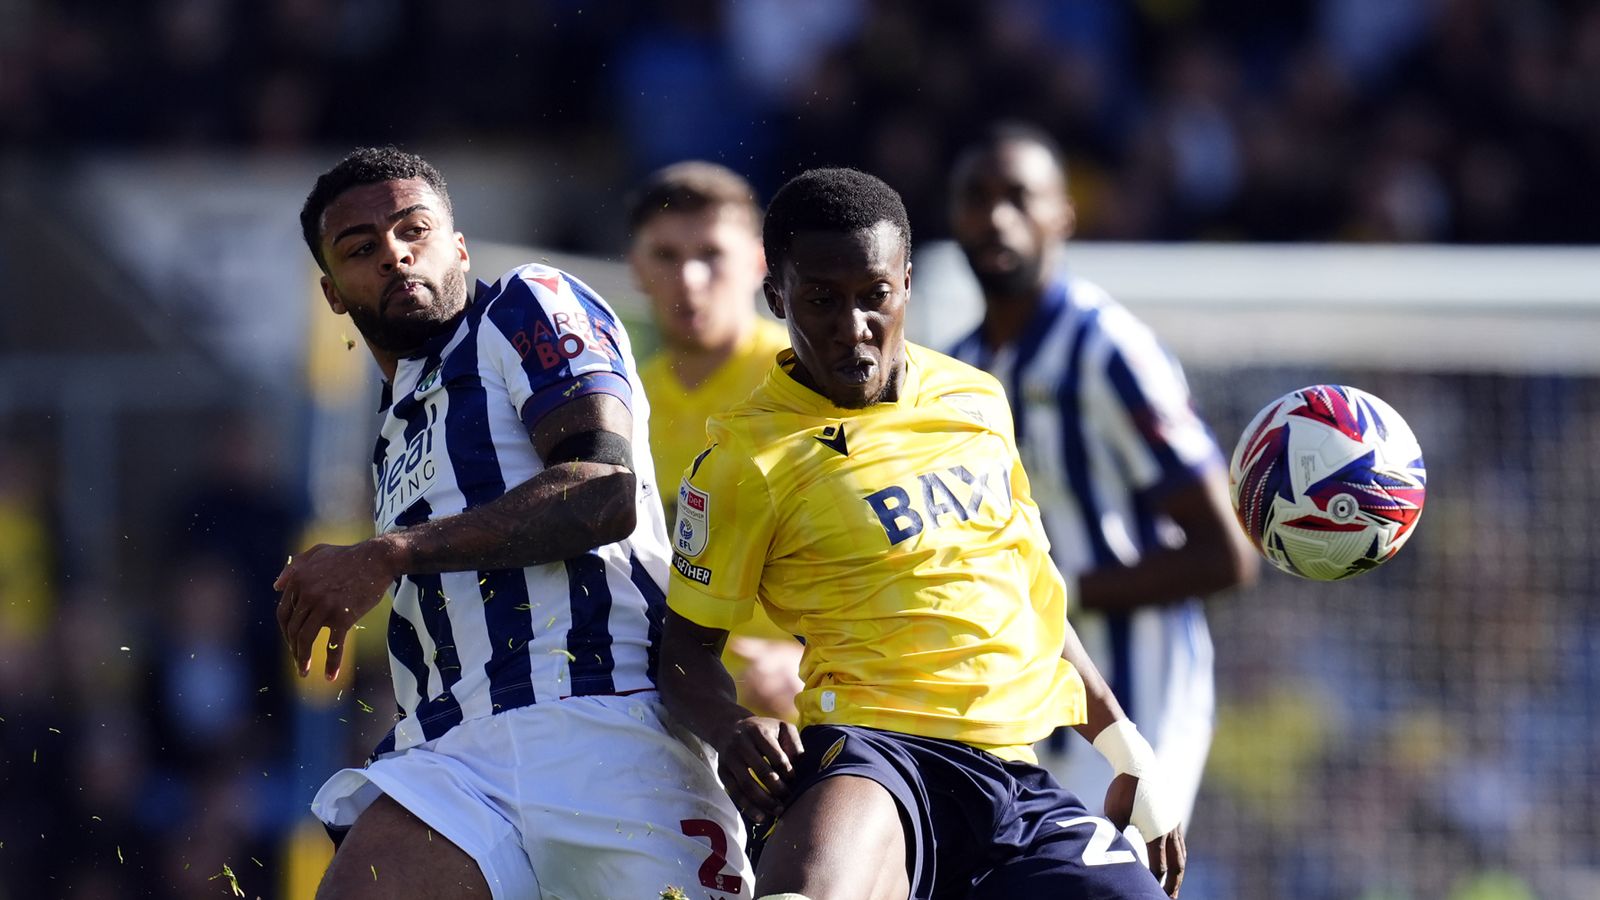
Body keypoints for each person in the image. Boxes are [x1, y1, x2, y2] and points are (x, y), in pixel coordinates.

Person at [659, 166, 1185, 900]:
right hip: (873, 757)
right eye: (820, 301)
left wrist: (1123, 743)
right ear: (776, 296)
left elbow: (1030, 591)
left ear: (906, 281)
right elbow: (681, 650)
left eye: (874, 296)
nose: (852, 328)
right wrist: (731, 725)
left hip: (1015, 776)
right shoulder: (744, 460)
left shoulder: (976, 399)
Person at [278, 147, 751, 900]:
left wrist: (390, 552)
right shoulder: (394, 429)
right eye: (362, 249)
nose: (395, 255)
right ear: (334, 294)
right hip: (452, 754)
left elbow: (603, 490)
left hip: (604, 723)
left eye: (414, 231)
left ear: (457, 246)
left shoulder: (525, 302)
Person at [946, 121, 1258, 844]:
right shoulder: (955, 373)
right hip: (1017, 701)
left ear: (1063, 213)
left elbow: (1227, 554)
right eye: (976, 197)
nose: (997, 216)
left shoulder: (1107, 350)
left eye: (1019, 196)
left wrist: (1059, 595)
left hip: (1139, 693)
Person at [627, 161, 803, 720]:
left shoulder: (808, 386)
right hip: (660, 712)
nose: (689, 279)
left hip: (802, 705)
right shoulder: (619, 403)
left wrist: (804, 661)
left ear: (758, 263)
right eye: (666, 256)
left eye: (711, 255)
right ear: (635, 266)